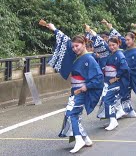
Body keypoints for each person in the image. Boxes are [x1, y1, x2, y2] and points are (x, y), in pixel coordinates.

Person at [43, 22, 104, 153]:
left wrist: (85, 87)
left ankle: (79, 139)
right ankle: (85, 138)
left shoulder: (89, 58)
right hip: (75, 90)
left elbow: (99, 77)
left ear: (84, 44)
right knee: (72, 114)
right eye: (73, 47)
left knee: (72, 114)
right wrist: (54, 29)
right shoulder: (79, 56)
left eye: (77, 46)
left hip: (81, 90)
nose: (74, 49)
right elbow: (65, 40)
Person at [97, 37, 130, 131]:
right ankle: (118, 113)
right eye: (110, 45)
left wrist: (116, 78)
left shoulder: (119, 55)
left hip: (117, 82)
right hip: (109, 82)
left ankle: (113, 120)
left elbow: (124, 68)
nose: (111, 47)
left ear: (118, 44)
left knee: (108, 100)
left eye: (113, 45)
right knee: (108, 100)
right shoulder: (111, 54)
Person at [121, 32, 136, 117]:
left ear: (133, 40)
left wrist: (129, 71)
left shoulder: (135, 52)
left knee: (125, 93)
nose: (127, 42)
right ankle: (127, 110)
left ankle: (128, 111)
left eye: (128, 40)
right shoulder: (125, 50)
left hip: (130, 75)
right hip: (124, 75)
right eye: (126, 40)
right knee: (124, 94)